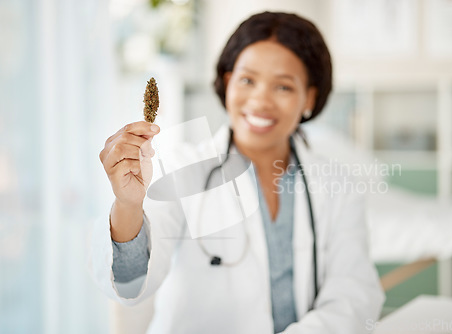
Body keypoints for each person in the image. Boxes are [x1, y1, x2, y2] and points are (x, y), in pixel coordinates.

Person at [91, 11, 385, 334]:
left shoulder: (337, 185)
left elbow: (354, 293)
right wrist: (128, 206)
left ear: (309, 98)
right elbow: (132, 283)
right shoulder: (182, 169)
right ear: (228, 82)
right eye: (247, 80)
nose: (260, 100)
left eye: (283, 87)